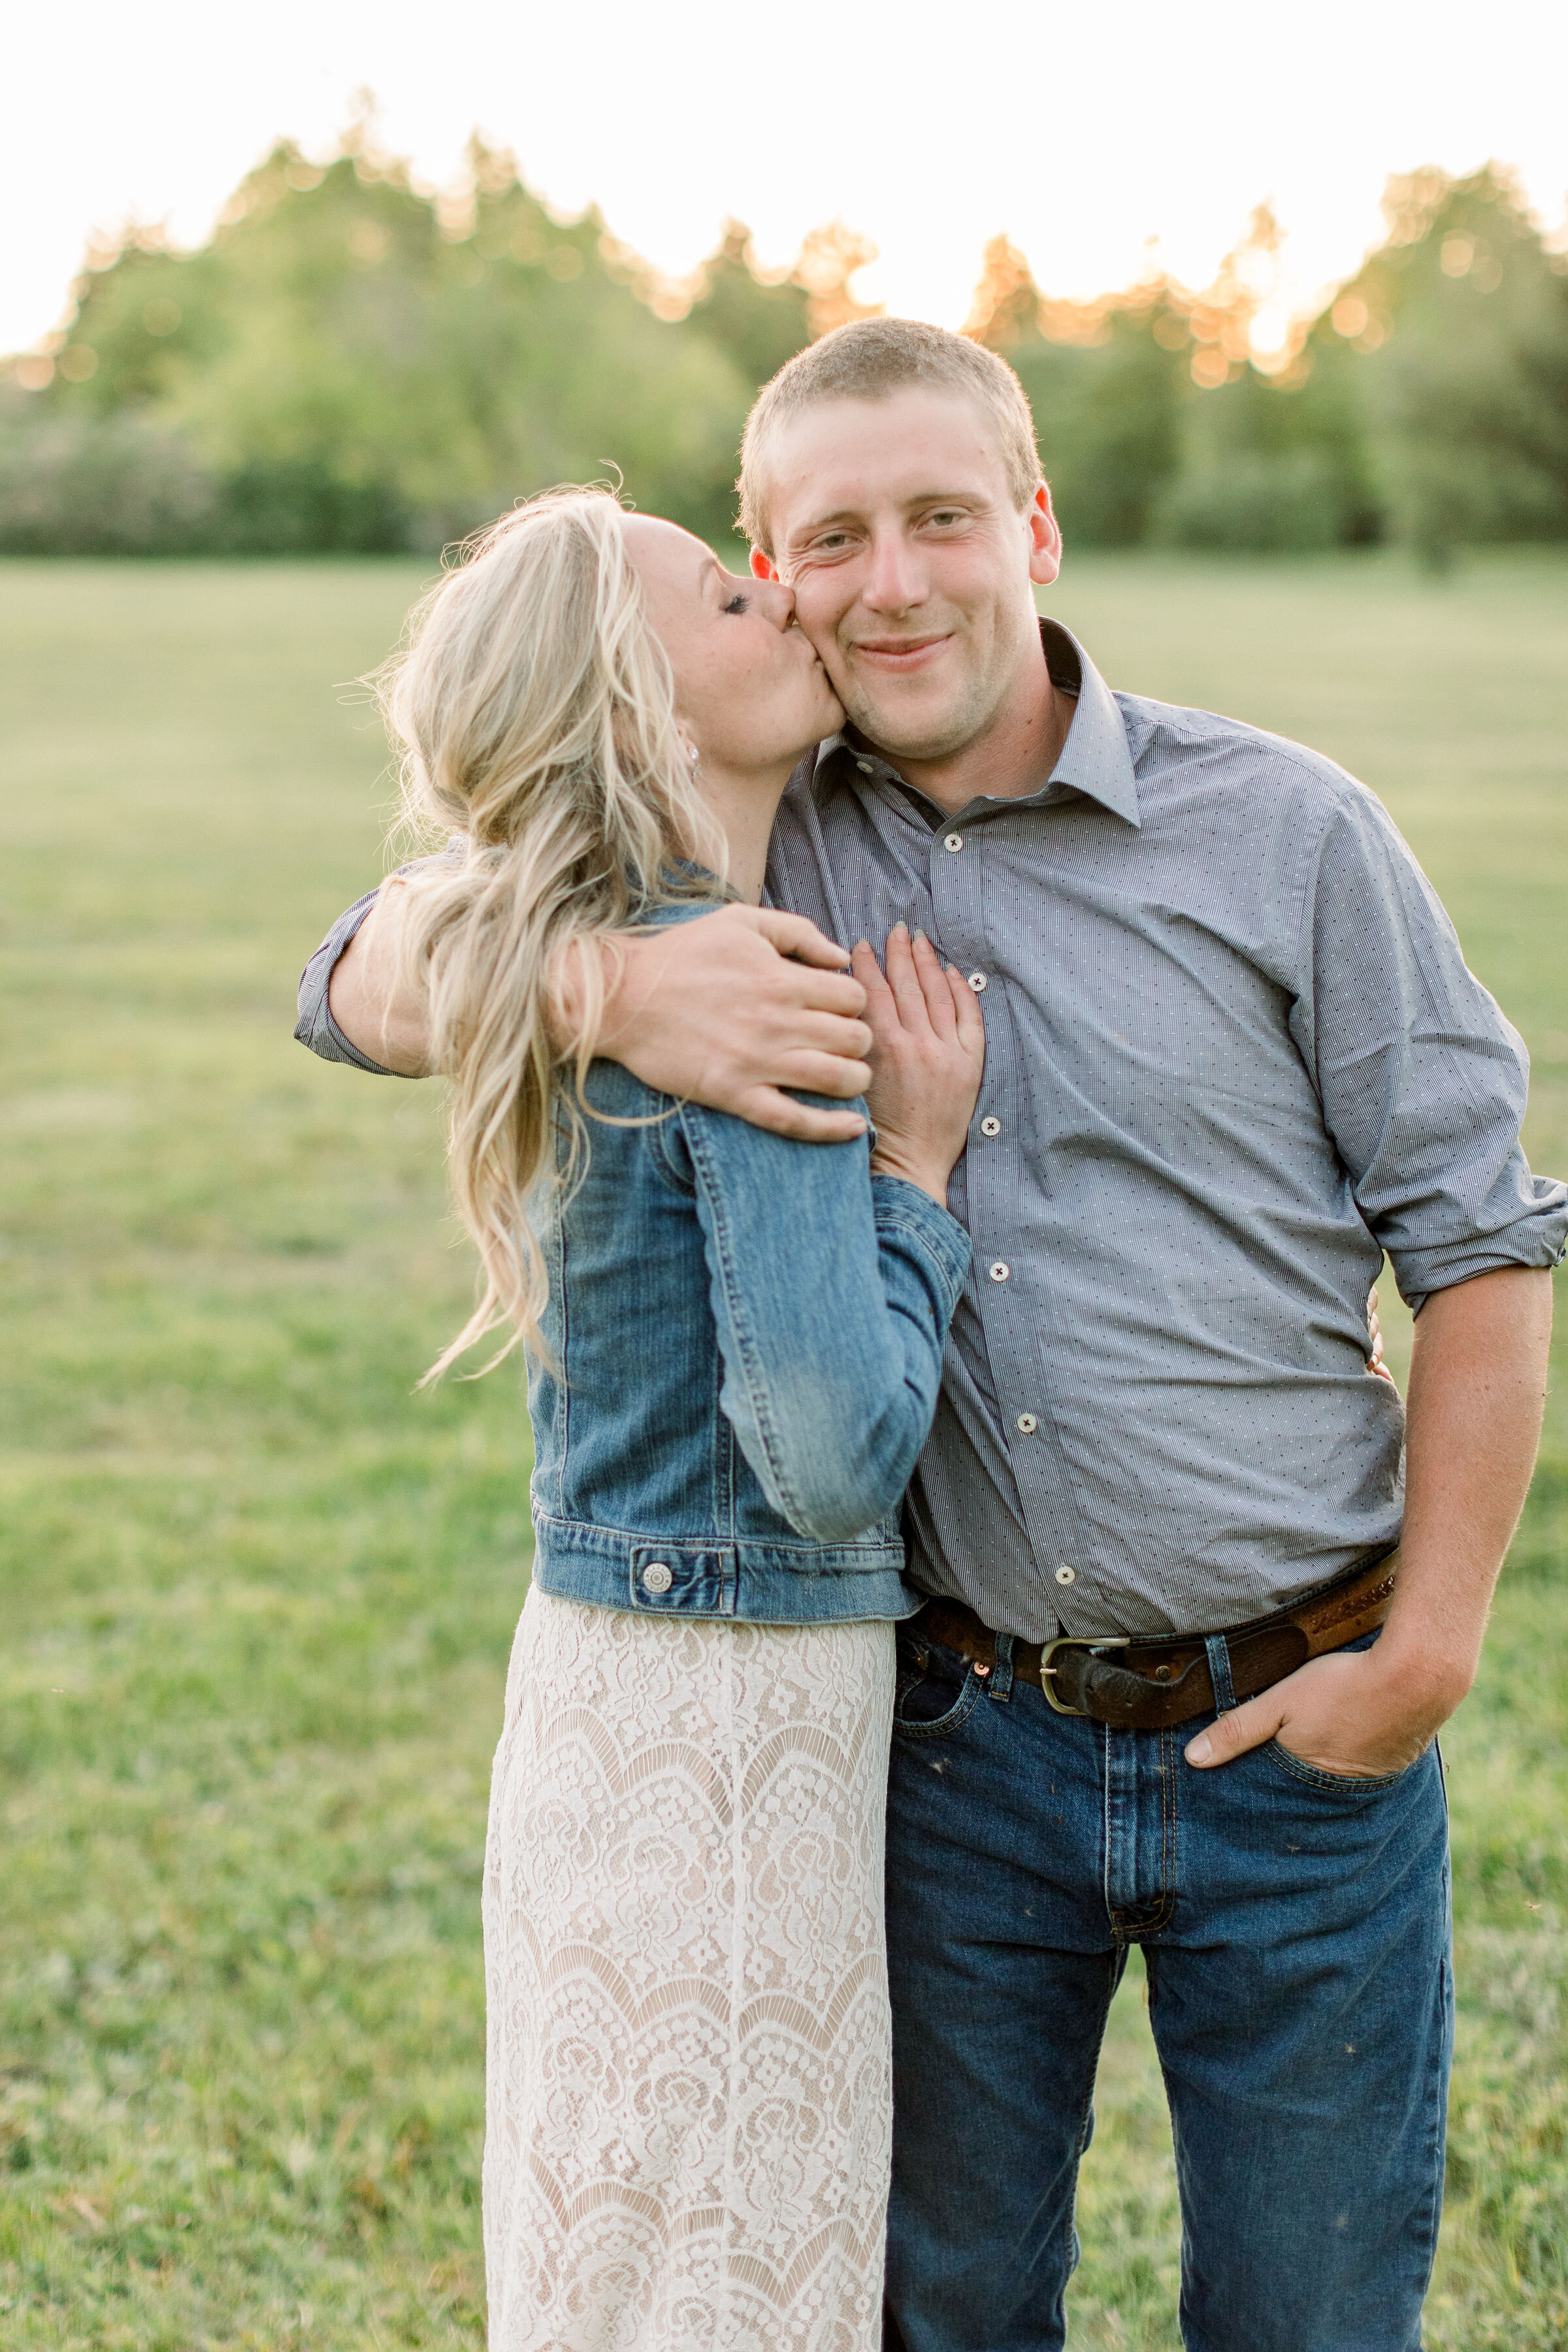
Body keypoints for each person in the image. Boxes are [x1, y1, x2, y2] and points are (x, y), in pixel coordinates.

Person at [299, 323, 1566, 2352]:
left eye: (942, 519)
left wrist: (1429, 1648)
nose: (891, 583)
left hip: (1303, 1722)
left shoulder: (1288, 833)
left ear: (1034, 525)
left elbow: (1485, 1247)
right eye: (830, 539)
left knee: (1318, 2312)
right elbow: (349, 968)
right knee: (948, 2307)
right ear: (768, 568)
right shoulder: (749, 826)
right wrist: (603, 991)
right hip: (956, 1748)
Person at [315, 486, 987, 2352]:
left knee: (612, 2239)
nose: (779, 600)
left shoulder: (616, 965)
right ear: (637, 703)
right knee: (724, 2260)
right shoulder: (736, 979)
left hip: (603, 1693)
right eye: (725, 592)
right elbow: (836, 1451)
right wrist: (919, 1181)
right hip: (729, 1731)